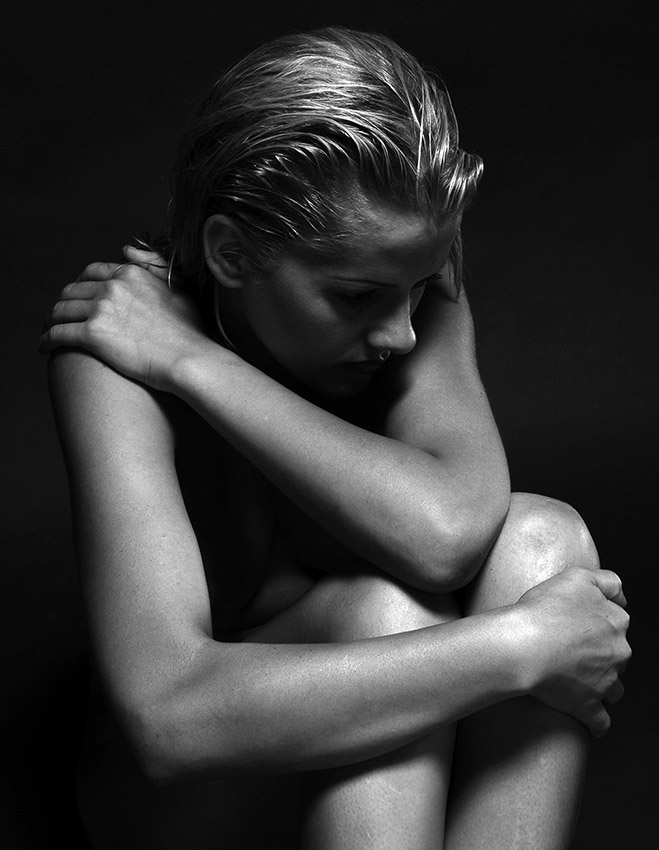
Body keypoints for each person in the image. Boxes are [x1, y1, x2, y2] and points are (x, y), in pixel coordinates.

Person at [40, 26, 630, 850]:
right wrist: (523, 645)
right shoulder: (118, 351)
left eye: (418, 288)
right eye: (355, 296)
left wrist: (196, 365)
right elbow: (169, 719)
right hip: (199, 791)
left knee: (542, 540)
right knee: (387, 612)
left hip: (388, 761)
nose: (400, 334)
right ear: (231, 253)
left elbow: (447, 536)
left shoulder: (406, 290)